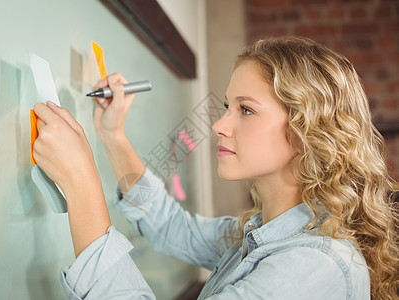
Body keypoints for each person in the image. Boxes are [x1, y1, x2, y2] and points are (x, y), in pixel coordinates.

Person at [32, 36, 399, 299]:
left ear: (306, 132)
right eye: (227, 106)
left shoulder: (316, 266)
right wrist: (113, 137)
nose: (219, 125)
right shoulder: (263, 231)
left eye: (246, 109)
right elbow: (171, 227)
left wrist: (82, 184)